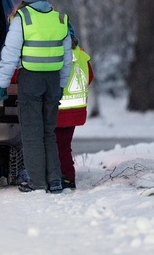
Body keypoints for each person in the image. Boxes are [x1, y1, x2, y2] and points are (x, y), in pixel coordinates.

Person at [0, 0, 72, 193]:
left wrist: (1, 85)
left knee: (31, 132)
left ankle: (37, 181)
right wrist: (61, 85)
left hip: (30, 80)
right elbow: (67, 58)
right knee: (49, 132)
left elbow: (9, 54)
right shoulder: (60, 19)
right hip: (53, 80)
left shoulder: (23, 18)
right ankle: (55, 180)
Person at [55, 26, 94, 190]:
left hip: (59, 110)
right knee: (64, 146)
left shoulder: (58, 55)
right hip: (75, 111)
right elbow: (89, 77)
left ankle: (63, 178)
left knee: (56, 146)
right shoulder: (81, 54)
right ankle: (67, 177)